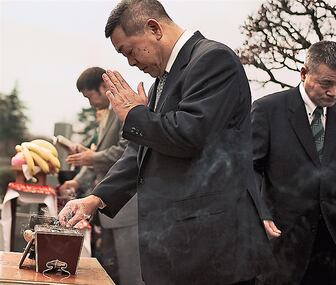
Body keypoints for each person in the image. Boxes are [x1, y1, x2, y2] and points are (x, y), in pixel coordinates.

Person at [58, 1, 273, 285]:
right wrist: (96, 198)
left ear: (154, 28)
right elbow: (142, 151)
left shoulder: (213, 60)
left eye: (129, 51)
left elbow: (191, 134)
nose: (131, 62)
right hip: (177, 247)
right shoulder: (161, 81)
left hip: (211, 250)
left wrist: (135, 115)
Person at [251, 41, 336, 285]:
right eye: (326, 84)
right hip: (284, 247)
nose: (334, 92)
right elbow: (249, 169)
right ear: (304, 73)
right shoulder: (267, 110)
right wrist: (259, 213)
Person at [59, 67, 143, 285]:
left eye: (90, 96)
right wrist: (78, 178)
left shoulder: (124, 111)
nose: (90, 103)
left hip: (125, 204)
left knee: (131, 271)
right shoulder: (104, 117)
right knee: (109, 269)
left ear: (104, 87)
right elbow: (95, 155)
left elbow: (128, 151)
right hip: (105, 207)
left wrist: (92, 157)